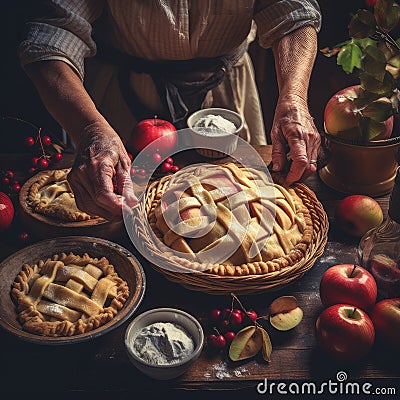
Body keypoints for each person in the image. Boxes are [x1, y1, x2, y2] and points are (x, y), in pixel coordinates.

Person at [19, 1, 322, 221]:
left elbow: (292, 14)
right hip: (116, 107)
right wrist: (90, 130)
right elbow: (52, 35)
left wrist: (294, 97)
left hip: (226, 96)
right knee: (117, 209)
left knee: (240, 209)